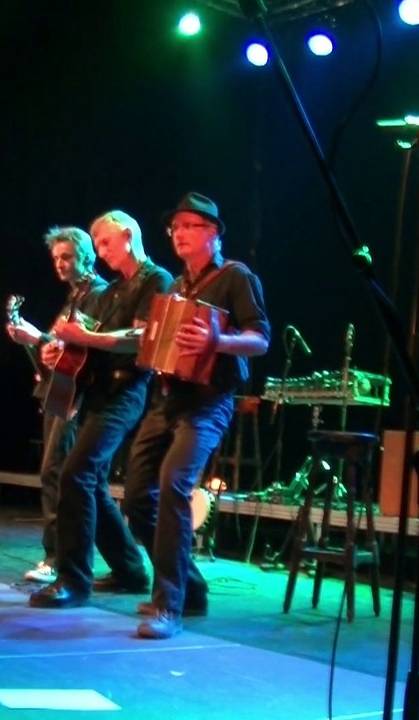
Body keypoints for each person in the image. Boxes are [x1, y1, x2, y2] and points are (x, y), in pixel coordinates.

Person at [123, 192, 270, 639]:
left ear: (213, 233)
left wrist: (217, 343)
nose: (179, 234)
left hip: (209, 401)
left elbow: (260, 339)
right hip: (167, 399)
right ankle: (190, 586)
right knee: (135, 497)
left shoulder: (235, 277)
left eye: (189, 226)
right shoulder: (176, 287)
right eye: (175, 228)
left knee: (173, 484)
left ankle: (169, 605)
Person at [28, 210, 174, 609]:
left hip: (126, 391)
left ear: (128, 236)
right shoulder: (112, 292)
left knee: (75, 473)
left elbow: (144, 337)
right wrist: (60, 347)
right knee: (85, 479)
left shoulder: (156, 280)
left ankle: (74, 580)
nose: (101, 252)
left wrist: (87, 336)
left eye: (105, 243)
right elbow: (87, 340)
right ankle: (129, 569)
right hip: (97, 391)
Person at [6, 226, 107, 583]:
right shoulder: (74, 298)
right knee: (69, 477)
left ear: (86, 257)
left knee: (57, 471)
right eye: (55, 258)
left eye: (66, 257)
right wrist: (38, 342)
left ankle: (58, 556)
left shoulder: (98, 295)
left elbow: (85, 348)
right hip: (60, 392)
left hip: (77, 397)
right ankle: (124, 562)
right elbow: (62, 352)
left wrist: (41, 337)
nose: (60, 264)